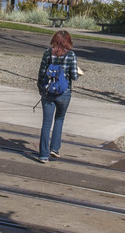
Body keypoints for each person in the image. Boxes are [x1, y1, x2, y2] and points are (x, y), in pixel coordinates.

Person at [36, 29, 79, 163]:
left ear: (54, 40)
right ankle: (54, 148)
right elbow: (74, 76)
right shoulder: (71, 55)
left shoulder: (47, 53)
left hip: (48, 92)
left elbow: (42, 73)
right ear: (68, 42)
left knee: (46, 124)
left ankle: (43, 155)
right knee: (59, 119)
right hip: (64, 93)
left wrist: (40, 89)